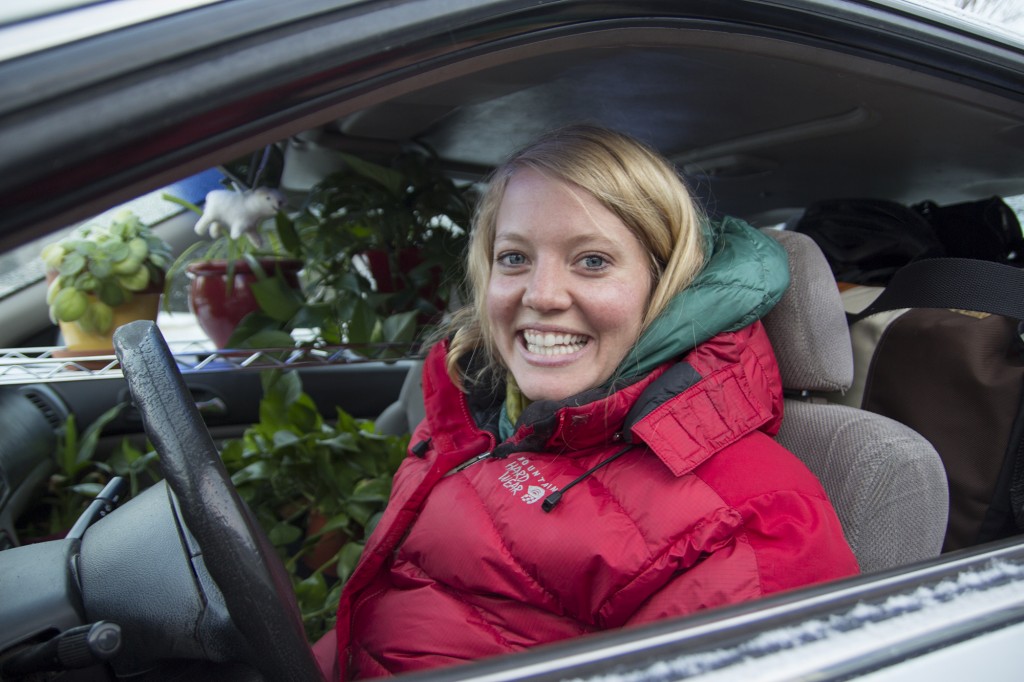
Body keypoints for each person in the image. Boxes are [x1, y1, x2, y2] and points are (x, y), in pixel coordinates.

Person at [325, 124, 859, 680]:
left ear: (665, 284)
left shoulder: (751, 520)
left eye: (593, 261)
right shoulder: (477, 413)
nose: (541, 295)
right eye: (514, 258)